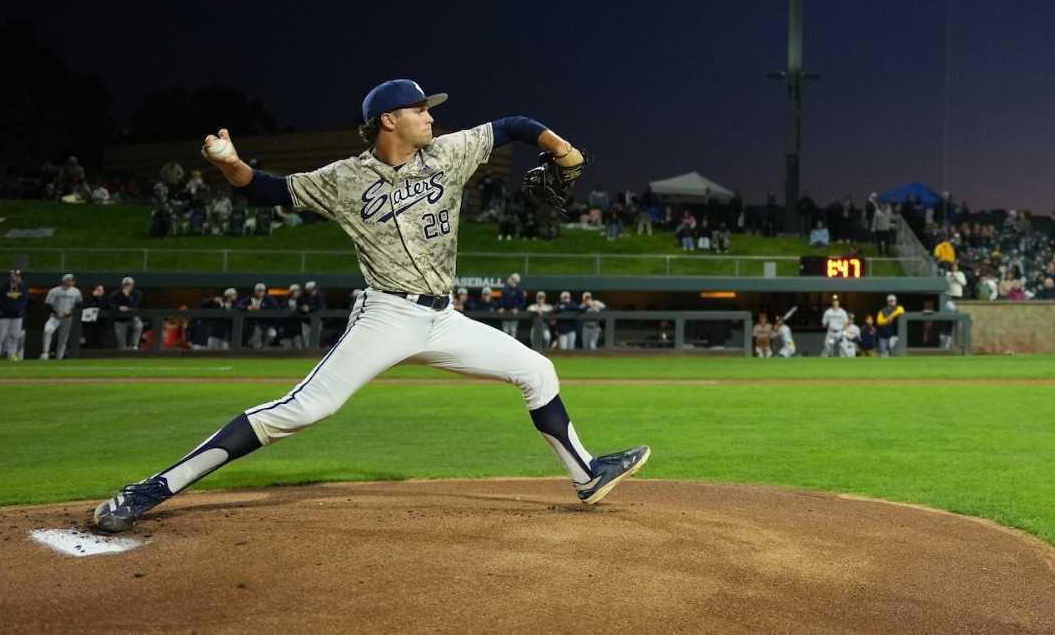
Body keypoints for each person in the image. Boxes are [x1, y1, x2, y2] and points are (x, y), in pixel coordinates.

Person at [90, 79, 649, 534]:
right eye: (419, 109)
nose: (431, 116)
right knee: (301, 411)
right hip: (386, 314)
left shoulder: (449, 152)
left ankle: (586, 476)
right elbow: (266, 190)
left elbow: (513, 125)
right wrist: (229, 163)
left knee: (536, 369)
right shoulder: (344, 178)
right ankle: (150, 490)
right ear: (389, 120)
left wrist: (563, 149)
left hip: (442, 318)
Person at [41, 273, 83, 359]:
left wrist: (71, 312)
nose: (72, 282)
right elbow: (48, 305)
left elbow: (79, 304)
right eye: (71, 280)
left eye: (72, 280)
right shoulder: (55, 291)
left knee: (63, 338)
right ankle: (45, 352)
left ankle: (59, 357)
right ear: (65, 281)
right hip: (55, 316)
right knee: (48, 331)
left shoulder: (76, 291)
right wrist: (56, 313)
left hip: (67, 317)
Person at [0, 268, 28, 360]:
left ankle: (12, 354)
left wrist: (19, 310)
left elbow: (24, 300)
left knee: (15, 335)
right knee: (0, 335)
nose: (16, 278)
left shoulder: (22, 287)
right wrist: (8, 309)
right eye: (15, 275)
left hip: (17, 316)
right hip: (4, 316)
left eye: (18, 276)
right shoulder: (2, 288)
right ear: (10, 276)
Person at [108, 277, 144, 351]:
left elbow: (134, 305)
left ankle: (135, 345)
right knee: (122, 345)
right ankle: (123, 351)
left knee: (139, 325)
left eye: (129, 285)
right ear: (123, 285)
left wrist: (127, 296)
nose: (128, 286)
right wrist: (119, 308)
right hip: (120, 318)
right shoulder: (116, 294)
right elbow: (111, 305)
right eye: (126, 285)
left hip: (131, 317)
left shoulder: (136, 293)